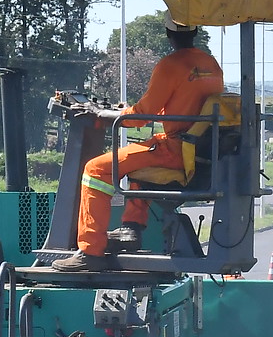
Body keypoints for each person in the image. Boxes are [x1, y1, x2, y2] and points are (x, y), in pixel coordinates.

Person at [53, 16, 224, 273]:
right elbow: (178, 104)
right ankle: (131, 230)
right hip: (197, 151)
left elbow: (140, 117)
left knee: (95, 169)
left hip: (174, 151)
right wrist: (126, 111)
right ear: (195, 31)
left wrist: (97, 112)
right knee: (137, 155)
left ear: (169, 33)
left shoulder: (171, 65)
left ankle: (90, 251)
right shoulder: (210, 64)